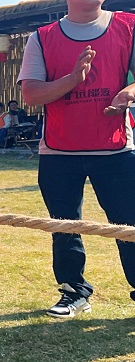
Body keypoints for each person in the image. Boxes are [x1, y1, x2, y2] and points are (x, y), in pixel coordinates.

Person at [18, 0, 135, 317]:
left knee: (129, 226)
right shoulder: (42, 37)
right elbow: (31, 93)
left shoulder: (129, 26)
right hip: (59, 151)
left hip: (116, 149)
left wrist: (128, 92)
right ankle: (74, 292)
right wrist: (73, 79)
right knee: (64, 226)